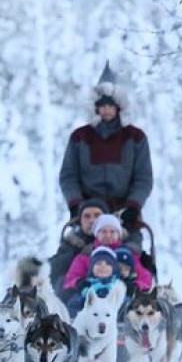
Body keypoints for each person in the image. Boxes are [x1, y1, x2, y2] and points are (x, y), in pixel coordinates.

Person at [58, 61, 153, 250]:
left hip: (124, 216)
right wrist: (76, 205)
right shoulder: (80, 137)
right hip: (89, 216)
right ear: (95, 107)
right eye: (102, 105)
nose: (106, 110)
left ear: (119, 107)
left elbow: (143, 178)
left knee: (133, 259)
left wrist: (133, 207)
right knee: (67, 259)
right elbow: (68, 176)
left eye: (111, 105)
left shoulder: (136, 138)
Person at [61, 214, 153, 301]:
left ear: (119, 234)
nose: (108, 235)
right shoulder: (85, 255)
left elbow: (145, 278)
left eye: (112, 232)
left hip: (121, 297)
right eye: (103, 232)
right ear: (97, 234)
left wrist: (134, 287)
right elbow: (71, 278)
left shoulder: (127, 255)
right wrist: (80, 283)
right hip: (91, 297)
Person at [49, 198, 108, 299]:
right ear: (80, 221)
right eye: (87, 216)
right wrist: (75, 254)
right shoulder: (71, 241)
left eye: (97, 216)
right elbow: (54, 270)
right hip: (78, 290)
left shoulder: (119, 239)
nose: (92, 220)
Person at [66, 246, 122, 318]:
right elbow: (72, 309)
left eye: (108, 264)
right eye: (98, 263)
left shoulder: (119, 288)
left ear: (114, 269)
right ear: (92, 268)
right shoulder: (85, 289)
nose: (103, 266)